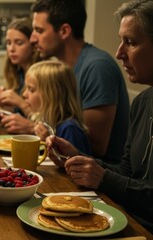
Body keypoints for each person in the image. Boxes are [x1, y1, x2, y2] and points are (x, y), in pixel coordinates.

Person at [47, 0, 153, 231]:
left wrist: (103, 178)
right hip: (125, 216)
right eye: (120, 41)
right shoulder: (143, 102)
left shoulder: (96, 65)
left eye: (131, 42)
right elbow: (127, 172)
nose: (119, 53)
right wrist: (80, 158)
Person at [2, 0, 130, 163]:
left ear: (64, 31)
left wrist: (31, 127)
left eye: (39, 31)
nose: (33, 39)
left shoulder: (97, 67)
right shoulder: (63, 68)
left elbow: (95, 146)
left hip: (99, 177)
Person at [23, 60, 91, 155]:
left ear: (51, 96)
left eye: (31, 89)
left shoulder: (69, 129)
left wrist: (49, 142)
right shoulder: (47, 122)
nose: (24, 94)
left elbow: (73, 165)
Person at [0, 17, 41, 116]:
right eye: (8, 43)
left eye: (19, 43)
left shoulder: (42, 74)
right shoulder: (18, 72)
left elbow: (44, 122)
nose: (11, 49)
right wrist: (7, 106)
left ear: (33, 46)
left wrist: (20, 103)